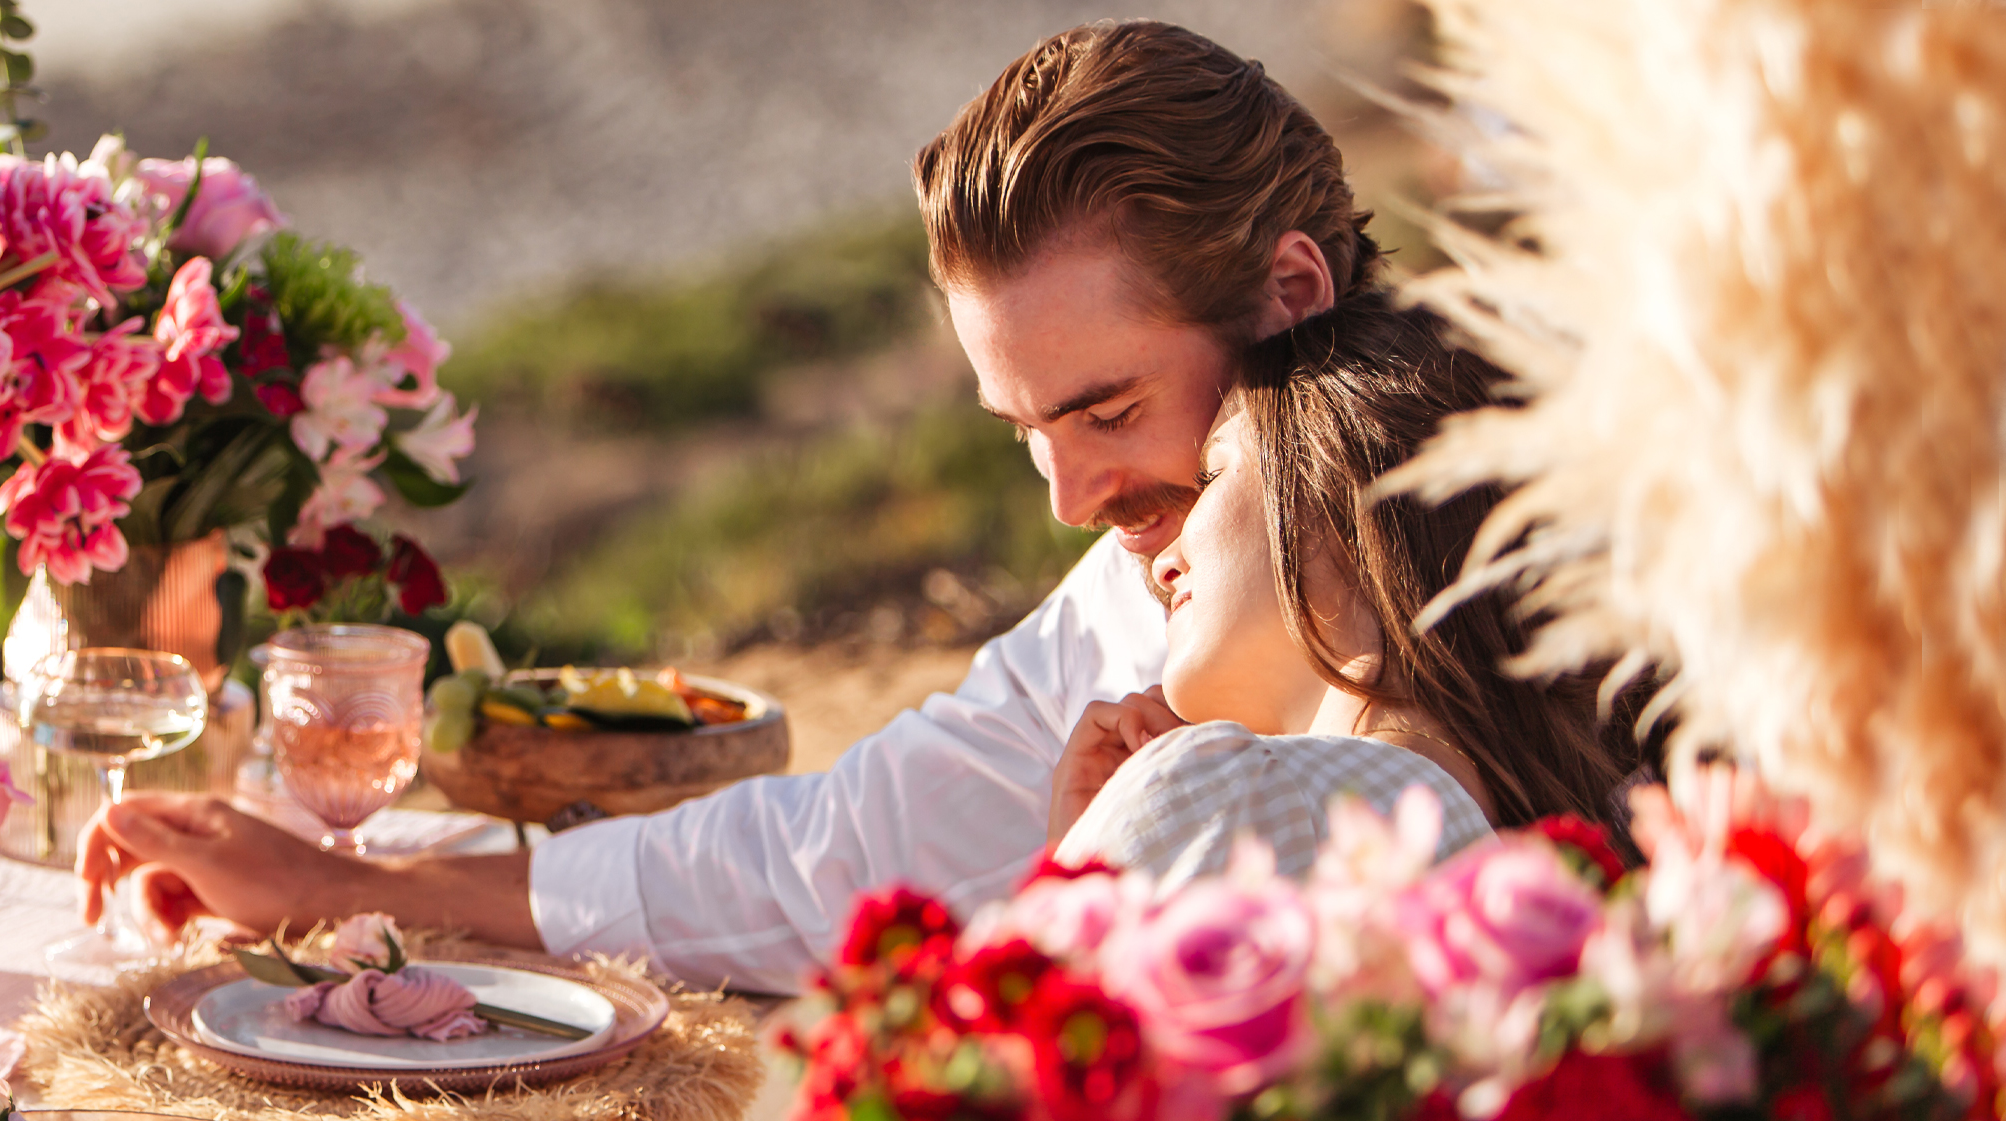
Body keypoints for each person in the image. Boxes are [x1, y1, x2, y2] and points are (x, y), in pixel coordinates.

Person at [79, 19, 1395, 994]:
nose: (1065, 502)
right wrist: (347, 880)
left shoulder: (1511, 594)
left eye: (1104, 411)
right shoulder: (1132, 588)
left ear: (1290, 296)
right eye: (1025, 433)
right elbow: (835, 853)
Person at [1043, 290, 1636, 886]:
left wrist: (1074, 877)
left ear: (1346, 495)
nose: (1163, 565)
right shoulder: (1580, 878)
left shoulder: (1221, 789)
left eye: (1212, 474)